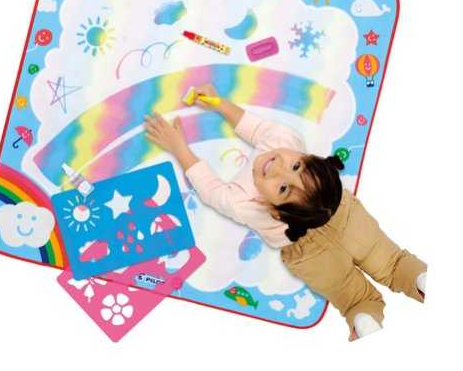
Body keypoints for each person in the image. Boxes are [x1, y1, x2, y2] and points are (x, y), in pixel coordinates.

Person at [144, 84, 427, 341]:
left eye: (282, 188)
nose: (277, 167)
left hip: (314, 249)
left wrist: (178, 146)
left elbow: (209, 187)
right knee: (383, 264)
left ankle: (399, 291)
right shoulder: (286, 141)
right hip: (340, 219)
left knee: (370, 278)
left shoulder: (244, 204)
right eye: (296, 167)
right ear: (308, 157)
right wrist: (219, 103)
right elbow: (256, 128)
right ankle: (380, 307)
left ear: (273, 211)